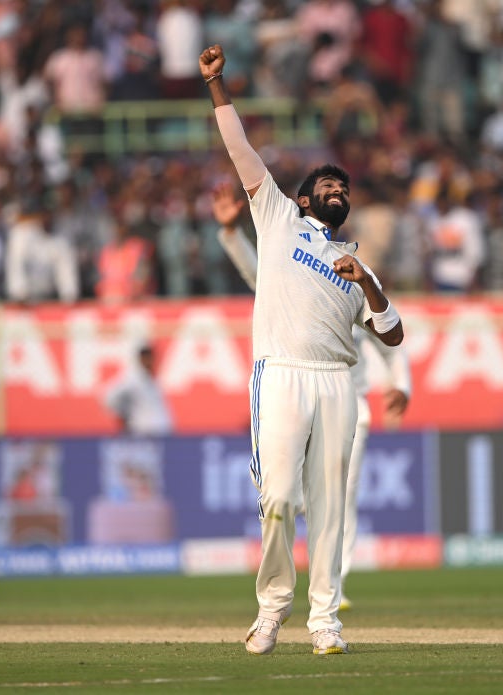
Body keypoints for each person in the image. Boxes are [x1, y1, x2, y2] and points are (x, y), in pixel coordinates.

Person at [199, 44, 404, 656]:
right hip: (282, 373)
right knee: (280, 498)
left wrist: (365, 280)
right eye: (326, 185)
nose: (336, 190)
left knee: (332, 510)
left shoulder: (356, 263)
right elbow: (240, 150)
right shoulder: (278, 217)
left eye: (343, 186)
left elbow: (392, 334)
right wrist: (217, 85)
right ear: (307, 199)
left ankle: (325, 622)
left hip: (337, 381)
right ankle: (272, 609)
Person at [212, 182, 411, 613]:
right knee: (285, 496)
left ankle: (330, 593)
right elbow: (256, 274)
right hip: (292, 387)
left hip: (346, 402)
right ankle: (286, 597)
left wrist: (401, 382)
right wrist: (231, 236)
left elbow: (389, 336)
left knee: (340, 496)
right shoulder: (289, 254)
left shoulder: (349, 272)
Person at [101, 344, 174, 436]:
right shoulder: (133, 379)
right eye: (146, 358)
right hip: (144, 434)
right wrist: (124, 414)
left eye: (151, 358)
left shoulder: (150, 379)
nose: (150, 361)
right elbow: (109, 396)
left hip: (159, 435)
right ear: (141, 359)